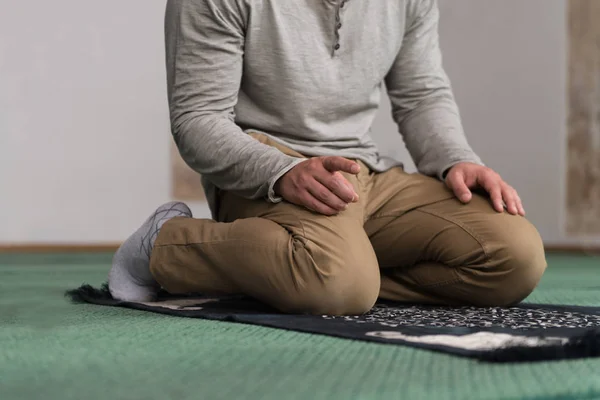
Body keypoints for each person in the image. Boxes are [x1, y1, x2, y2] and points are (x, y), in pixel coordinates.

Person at [108, 0, 547, 315]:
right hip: (265, 169)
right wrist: (282, 171)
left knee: (516, 256)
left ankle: (336, 266)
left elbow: (422, 95)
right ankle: (163, 244)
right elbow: (197, 119)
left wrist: (456, 158)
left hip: (364, 171)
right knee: (337, 287)